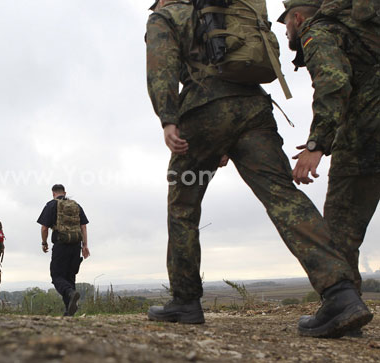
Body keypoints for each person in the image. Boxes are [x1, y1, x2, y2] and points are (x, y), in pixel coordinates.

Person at [145, 0, 371, 337]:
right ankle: (340, 292)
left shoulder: (166, 16)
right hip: (254, 111)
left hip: (203, 114)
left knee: (183, 206)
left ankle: (185, 300)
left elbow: (160, 69)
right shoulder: (235, 11)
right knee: (283, 197)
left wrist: (168, 119)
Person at [279, 0, 380, 290]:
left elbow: (333, 83)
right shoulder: (364, 31)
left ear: (297, 18)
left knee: (339, 232)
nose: (286, 32)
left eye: (285, 24)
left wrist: (316, 145)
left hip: (366, 138)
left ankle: (344, 306)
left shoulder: (318, 33)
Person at [37, 184, 90, 316]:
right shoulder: (76, 205)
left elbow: (44, 228)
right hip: (76, 244)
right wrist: (85, 245)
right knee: (70, 277)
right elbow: (83, 226)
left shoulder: (51, 205)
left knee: (57, 276)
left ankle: (70, 293)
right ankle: (69, 311)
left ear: (53, 193)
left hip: (61, 245)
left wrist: (44, 242)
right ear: (65, 193)